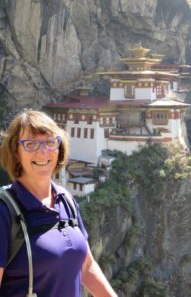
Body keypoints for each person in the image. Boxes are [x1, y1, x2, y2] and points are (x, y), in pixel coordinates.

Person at [0, 110, 118, 297]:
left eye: (49, 142)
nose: (42, 151)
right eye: (30, 144)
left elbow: (86, 266)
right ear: (15, 152)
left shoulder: (66, 200)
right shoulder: (5, 211)